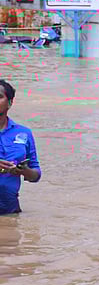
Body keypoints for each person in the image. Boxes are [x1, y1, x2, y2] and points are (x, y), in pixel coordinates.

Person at [0, 80, 40, 214]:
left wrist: (24, 170)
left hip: (10, 210)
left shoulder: (24, 133)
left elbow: (36, 176)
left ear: (10, 103)